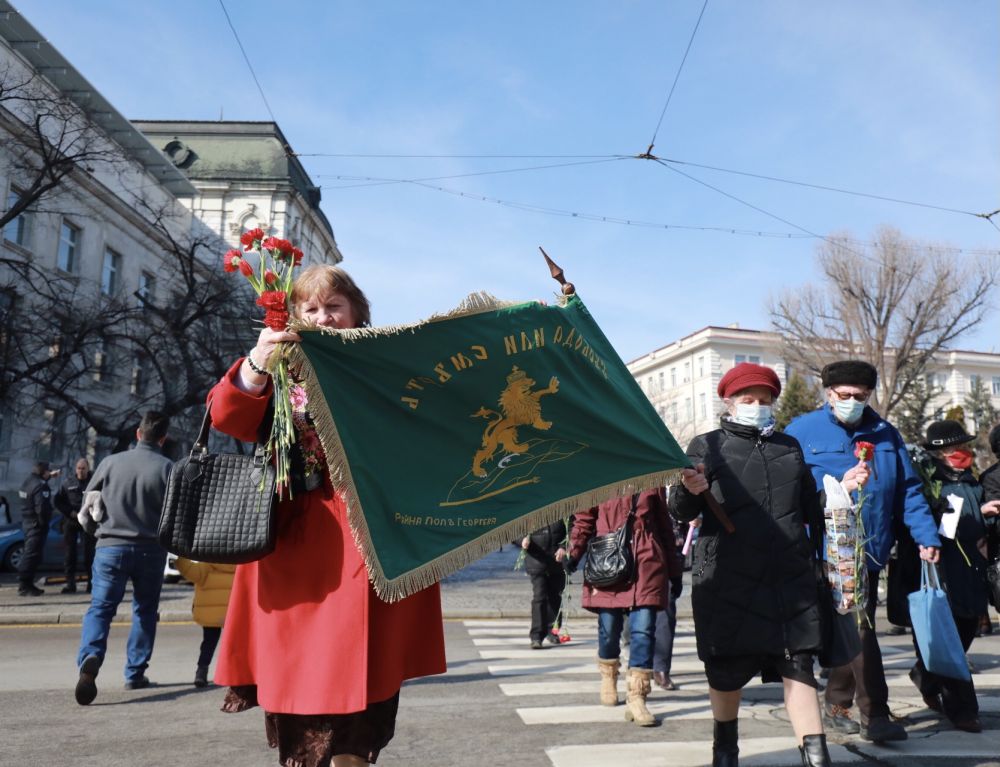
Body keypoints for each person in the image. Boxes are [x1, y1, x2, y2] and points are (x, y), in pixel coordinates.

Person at [209, 264, 446, 767]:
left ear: (357, 313)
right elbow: (228, 416)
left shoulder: (385, 366)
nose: (323, 317)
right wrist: (258, 359)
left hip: (375, 542)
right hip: (299, 551)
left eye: (334, 306)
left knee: (364, 705)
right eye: (310, 308)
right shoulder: (278, 368)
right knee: (304, 690)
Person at [669, 362, 831, 767]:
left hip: (789, 576)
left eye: (764, 399)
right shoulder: (706, 445)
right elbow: (679, 508)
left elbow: (810, 506)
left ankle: (817, 755)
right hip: (729, 577)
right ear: (729, 401)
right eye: (748, 399)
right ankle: (725, 748)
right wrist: (690, 489)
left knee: (799, 665)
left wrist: (842, 494)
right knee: (726, 668)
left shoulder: (789, 446)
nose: (757, 405)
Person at [785, 359, 941, 743]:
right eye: (844, 395)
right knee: (850, 629)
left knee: (857, 627)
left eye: (861, 395)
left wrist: (926, 535)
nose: (852, 401)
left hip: (867, 552)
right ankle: (864, 711)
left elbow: (908, 489)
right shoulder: (802, 432)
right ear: (828, 393)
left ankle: (855, 709)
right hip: (821, 550)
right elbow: (790, 491)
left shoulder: (886, 434)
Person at [904, 420, 1000, 732]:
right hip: (942, 566)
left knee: (968, 627)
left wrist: (983, 514)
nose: (959, 452)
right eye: (951, 448)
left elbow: (971, 527)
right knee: (950, 638)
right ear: (938, 453)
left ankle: (925, 674)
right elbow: (929, 524)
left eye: (961, 446)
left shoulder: (971, 480)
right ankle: (962, 710)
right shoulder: (927, 481)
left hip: (970, 565)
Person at [73, 411, 173, 706]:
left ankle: (90, 655)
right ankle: (135, 672)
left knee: (101, 608)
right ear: (163, 439)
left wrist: (98, 534)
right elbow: (175, 515)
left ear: (138, 434)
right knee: (144, 610)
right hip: (150, 549)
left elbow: (88, 508)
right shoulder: (168, 468)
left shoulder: (110, 462)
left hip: (110, 547)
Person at [565, 488, 672, 728]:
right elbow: (584, 519)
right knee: (609, 630)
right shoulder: (599, 476)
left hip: (646, 562)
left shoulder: (652, 478)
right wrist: (574, 552)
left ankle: (637, 697)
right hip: (608, 559)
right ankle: (608, 675)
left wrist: (673, 570)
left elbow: (664, 525)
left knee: (644, 630)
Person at [175, 557, 236, 688]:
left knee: (208, 643)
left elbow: (189, 571)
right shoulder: (240, 565)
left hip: (211, 613)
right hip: (234, 612)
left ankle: (201, 672)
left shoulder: (207, 565)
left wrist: (178, 558)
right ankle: (233, 674)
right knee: (234, 644)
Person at [521, 519, 570, 649]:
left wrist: (563, 547)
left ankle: (552, 630)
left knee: (555, 596)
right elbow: (513, 529)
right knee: (539, 596)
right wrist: (522, 540)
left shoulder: (563, 508)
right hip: (536, 559)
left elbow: (572, 530)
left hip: (556, 560)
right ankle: (536, 635)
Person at [53, 457, 96, 594]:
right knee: (70, 553)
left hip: (89, 521)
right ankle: (70, 584)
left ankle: (92, 584)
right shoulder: (68, 482)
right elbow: (58, 500)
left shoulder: (95, 481)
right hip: (71, 521)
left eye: (83, 468)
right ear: (75, 469)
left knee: (91, 554)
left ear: (88, 468)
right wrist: (69, 512)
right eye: (79, 468)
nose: (81, 471)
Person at [652, 513, 684, 691]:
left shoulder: (681, 485)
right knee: (634, 615)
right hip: (637, 554)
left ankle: (661, 668)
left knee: (666, 612)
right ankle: (639, 659)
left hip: (670, 554)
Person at [17, 461, 55, 597]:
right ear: (44, 472)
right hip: (36, 525)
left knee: (29, 553)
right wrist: (44, 523)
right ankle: (24, 585)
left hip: (27, 522)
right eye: (48, 471)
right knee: (32, 555)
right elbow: (42, 508)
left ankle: (26, 583)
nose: (50, 473)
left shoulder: (27, 481)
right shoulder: (41, 485)